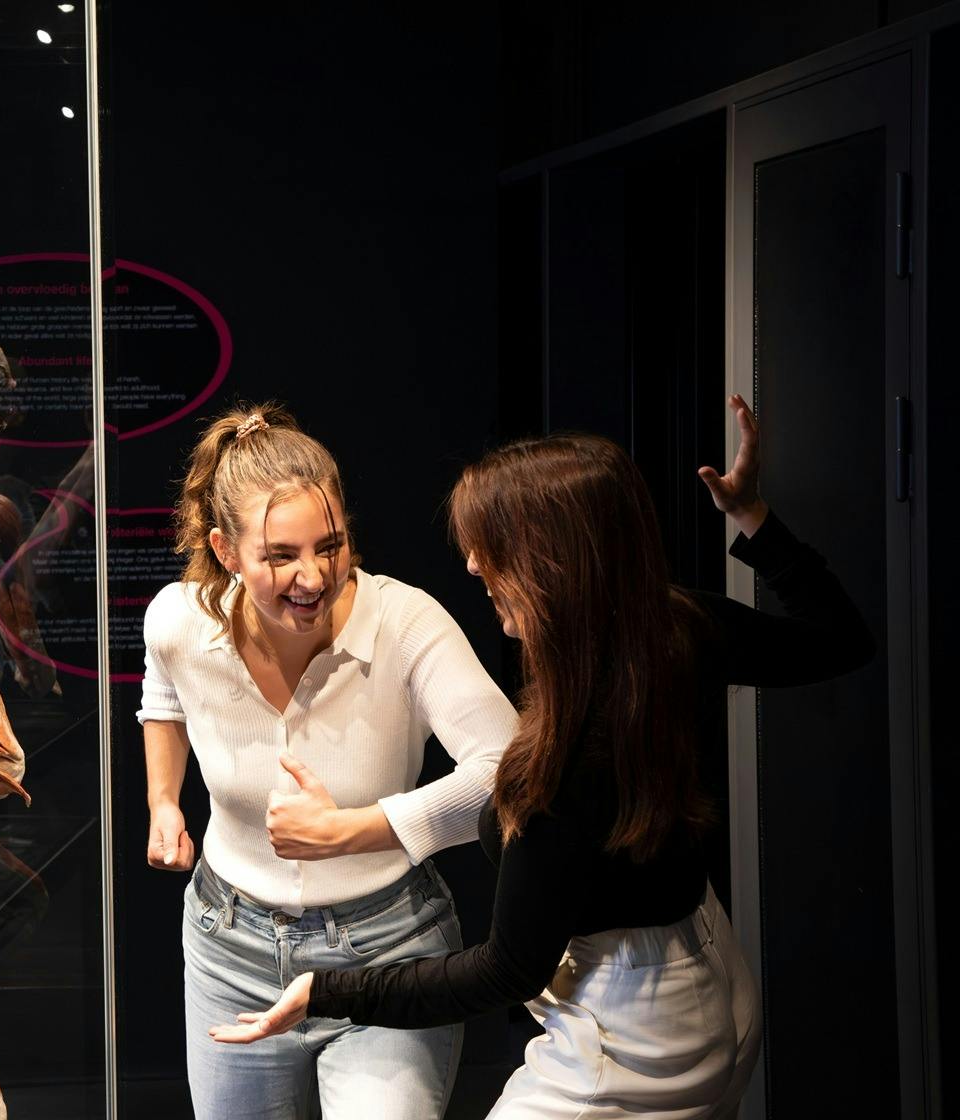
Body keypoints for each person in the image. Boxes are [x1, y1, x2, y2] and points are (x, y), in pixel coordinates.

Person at [211, 397, 873, 1119]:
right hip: (712, 974)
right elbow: (840, 638)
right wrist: (753, 518)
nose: (471, 563)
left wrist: (329, 990)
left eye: (488, 546)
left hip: (629, 1042)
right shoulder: (679, 627)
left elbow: (506, 968)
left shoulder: (561, 765)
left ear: (548, 562)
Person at [140, 402, 519, 1119]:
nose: (314, 576)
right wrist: (164, 800)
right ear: (225, 551)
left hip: (388, 950)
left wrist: (354, 830)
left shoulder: (405, 623)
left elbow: (511, 770)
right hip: (232, 952)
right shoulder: (178, 619)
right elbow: (163, 693)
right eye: (280, 556)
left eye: (330, 545)